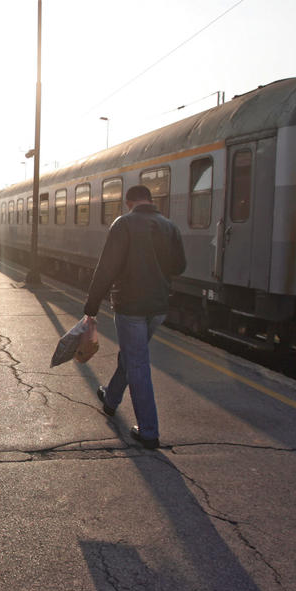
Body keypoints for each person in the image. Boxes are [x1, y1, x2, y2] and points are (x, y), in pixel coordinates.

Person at [84, 184, 186, 449]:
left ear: (129, 202)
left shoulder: (124, 224)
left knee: (137, 363)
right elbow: (179, 266)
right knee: (132, 355)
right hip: (158, 308)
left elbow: (107, 268)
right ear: (150, 201)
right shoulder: (169, 226)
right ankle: (111, 399)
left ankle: (149, 431)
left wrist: (91, 305)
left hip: (131, 306)